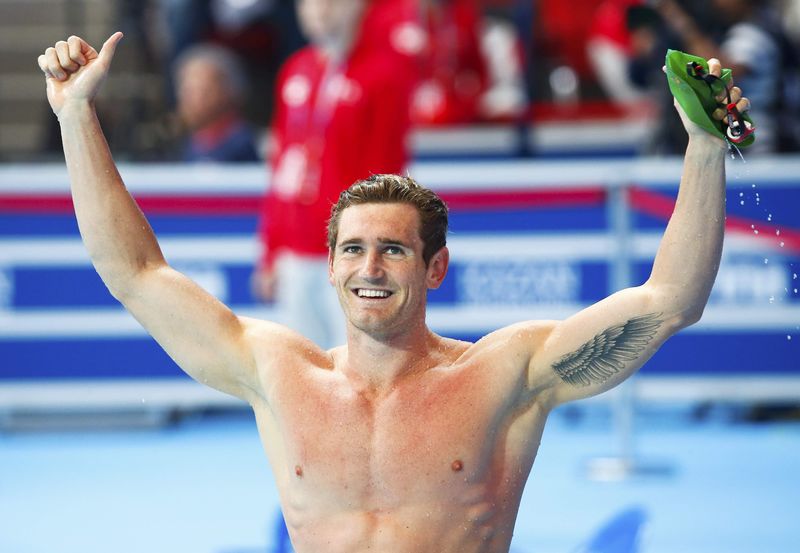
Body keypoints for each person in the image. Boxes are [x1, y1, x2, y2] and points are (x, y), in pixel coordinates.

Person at [39, 31, 748, 553]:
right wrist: (75, 115)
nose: (368, 267)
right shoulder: (277, 371)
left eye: (392, 249)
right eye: (352, 248)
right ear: (329, 264)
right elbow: (133, 272)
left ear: (434, 267)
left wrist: (705, 147)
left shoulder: (507, 374)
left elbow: (672, 298)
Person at [253, 0, 420, 348]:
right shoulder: (295, 70)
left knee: (358, 364)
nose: (320, 10)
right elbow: (282, 169)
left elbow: (386, 176)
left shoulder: (384, 73)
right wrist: (270, 250)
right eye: (310, 3)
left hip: (352, 254)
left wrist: (373, 252)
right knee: (305, 368)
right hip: (296, 252)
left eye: (331, 2)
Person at [172, 43, 261, 162]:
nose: (188, 99)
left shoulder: (246, 145)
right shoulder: (190, 145)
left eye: (201, 90)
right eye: (186, 90)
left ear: (230, 92)